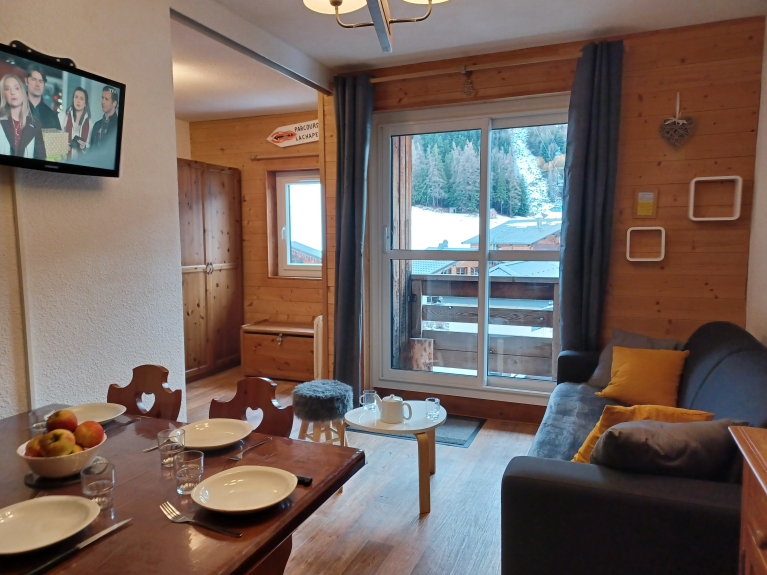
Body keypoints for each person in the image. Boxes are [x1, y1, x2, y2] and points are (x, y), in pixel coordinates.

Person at [0, 74, 46, 159]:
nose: (12, 92)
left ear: (23, 92)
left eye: (16, 88)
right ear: (3, 94)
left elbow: (40, 158)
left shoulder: (35, 124)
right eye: (7, 89)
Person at [25, 65, 61, 130]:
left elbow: (58, 135)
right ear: (26, 81)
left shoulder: (51, 116)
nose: (37, 84)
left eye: (40, 81)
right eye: (34, 79)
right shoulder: (14, 107)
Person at [60, 87, 91, 160]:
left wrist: (84, 147)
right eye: (76, 97)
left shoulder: (90, 124)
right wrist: (63, 147)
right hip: (64, 161)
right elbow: (55, 141)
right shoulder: (62, 117)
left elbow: (91, 149)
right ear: (73, 99)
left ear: (85, 103)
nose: (78, 101)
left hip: (80, 163)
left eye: (81, 99)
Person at [90, 85, 119, 152]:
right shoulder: (96, 125)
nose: (103, 101)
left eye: (106, 99)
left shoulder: (118, 126)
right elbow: (91, 151)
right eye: (102, 98)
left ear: (114, 103)